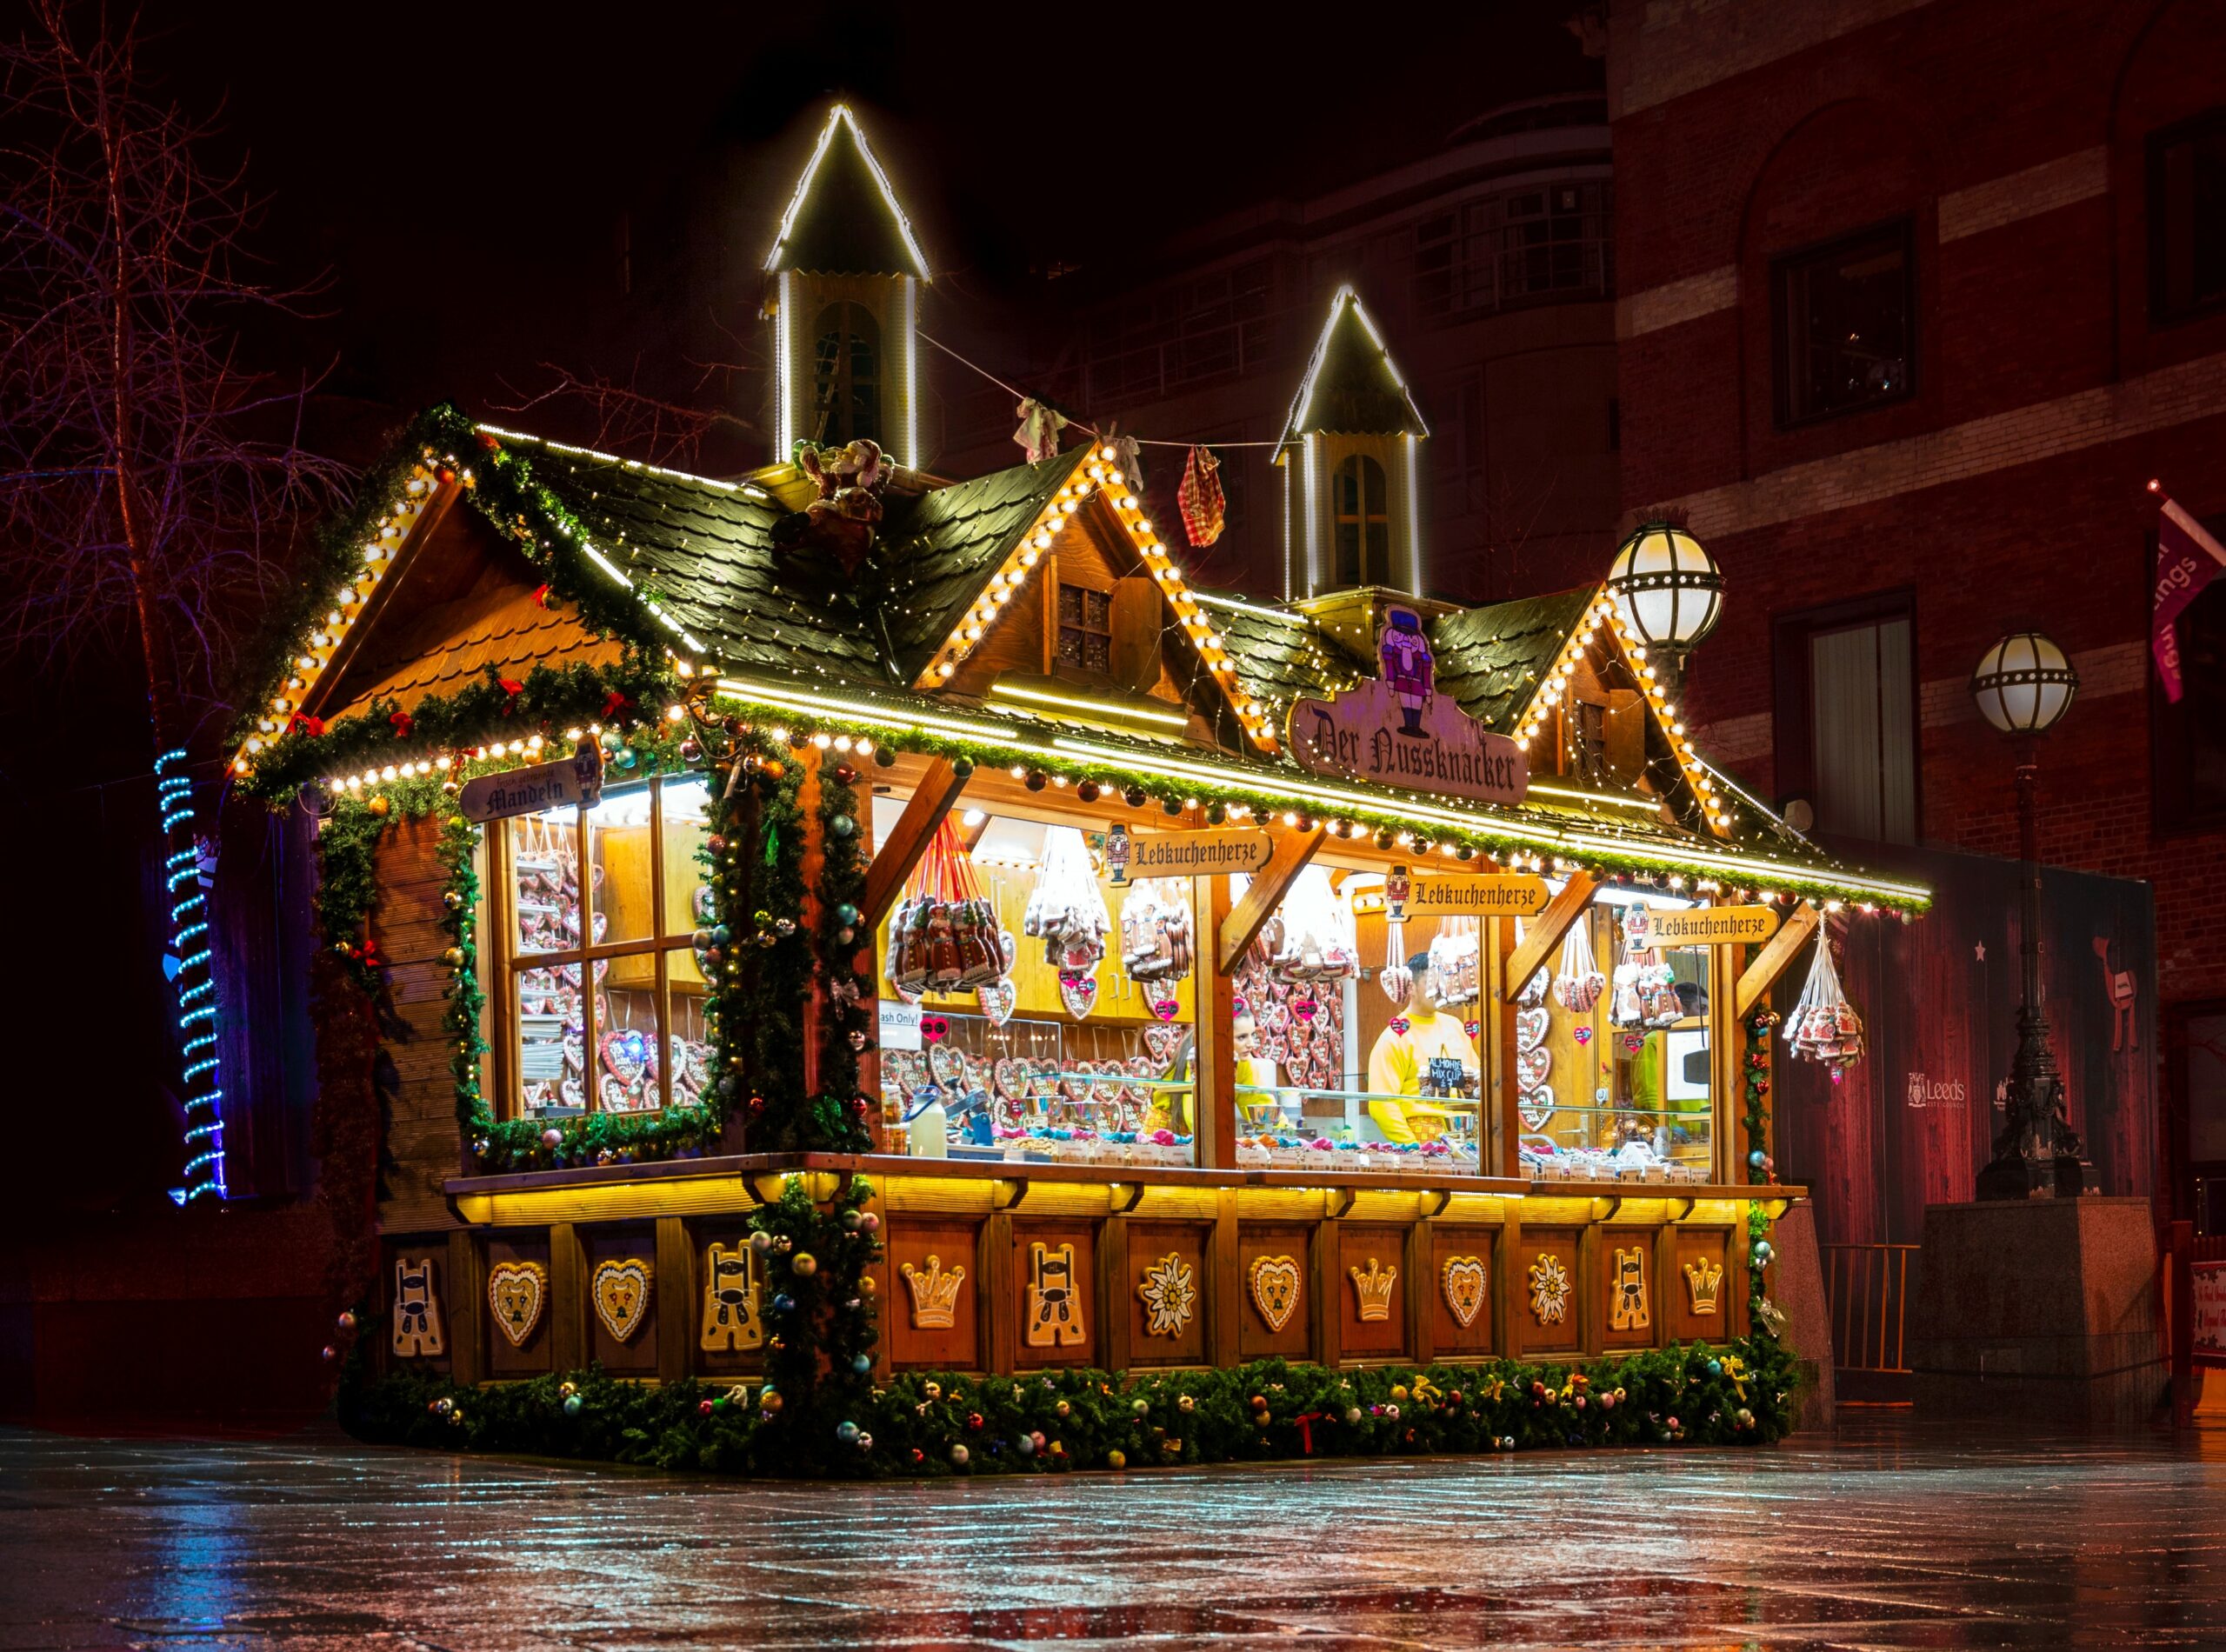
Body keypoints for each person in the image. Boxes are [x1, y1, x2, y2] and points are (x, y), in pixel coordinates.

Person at [1364, 951, 1476, 1142]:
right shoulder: (1394, 1036)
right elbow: (1381, 1104)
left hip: (1468, 1136)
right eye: (1431, 983)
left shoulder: (1456, 1027)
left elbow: (1477, 1081)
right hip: (1421, 1137)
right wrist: (1413, 1147)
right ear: (1412, 987)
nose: (1439, 989)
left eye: (1443, 981)